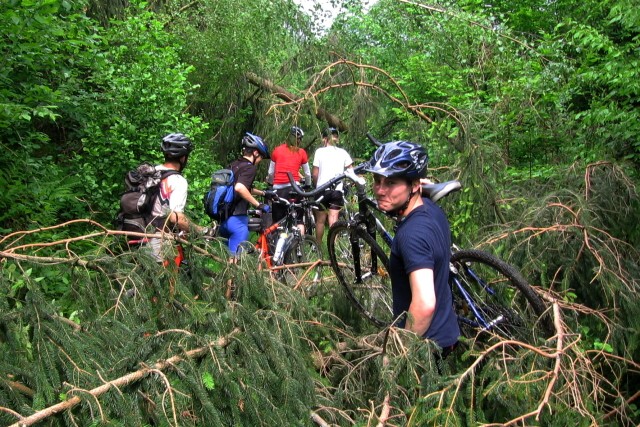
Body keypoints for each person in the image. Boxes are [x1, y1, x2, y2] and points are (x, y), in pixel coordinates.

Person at [364, 140, 460, 354]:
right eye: (377, 181)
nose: (380, 190)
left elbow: (425, 304)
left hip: (426, 349)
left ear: (414, 185)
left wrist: (401, 353)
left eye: (390, 183)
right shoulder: (430, 209)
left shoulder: (411, 236)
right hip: (446, 333)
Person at [148, 133, 207, 264]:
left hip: (137, 236)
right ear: (183, 157)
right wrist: (199, 230)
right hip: (158, 243)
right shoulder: (177, 181)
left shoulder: (151, 173)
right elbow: (176, 218)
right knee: (166, 283)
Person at [218, 132, 271, 256]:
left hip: (223, 220)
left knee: (227, 262)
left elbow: (243, 187)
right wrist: (258, 204)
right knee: (237, 265)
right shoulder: (249, 168)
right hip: (237, 221)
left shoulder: (233, 165)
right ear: (255, 153)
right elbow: (240, 187)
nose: (260, 160)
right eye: (261, 157)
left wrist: (263, 193)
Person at [266, 126, 312, 233]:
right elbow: (307, 173)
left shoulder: (276, 150)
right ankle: (300, 248)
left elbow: (270, 173)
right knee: (299, 220)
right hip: (294, 189)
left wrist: (270, 183)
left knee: (277, 221)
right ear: (298, 140)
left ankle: (278, 246)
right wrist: (308, 185)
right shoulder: (301, 152)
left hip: (278, 190)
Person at [311, 127, 353, 245]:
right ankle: (332, 249)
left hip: (321, 190)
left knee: (320, 221)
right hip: (337, 190)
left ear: (324, 139)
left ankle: (318, 247)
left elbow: (315, 173)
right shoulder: (343, 153)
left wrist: (316, 185)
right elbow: (351, 170)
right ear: (336, 138)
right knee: (333, 221)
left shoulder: (319, 151)